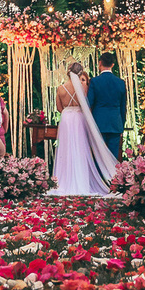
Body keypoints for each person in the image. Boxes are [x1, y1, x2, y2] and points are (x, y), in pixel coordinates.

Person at [47, 61, 118, 196]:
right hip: (79, 117)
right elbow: (88, 104)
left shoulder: (61, 88)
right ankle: (82, 180)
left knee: (66, 148)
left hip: (67, 118)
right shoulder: (83, 87)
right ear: (80, 73)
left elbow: (58, 108)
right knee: (81, 147)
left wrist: (67, 112)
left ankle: (63, 181)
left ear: (68, 72)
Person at [86, 52, 127, 159]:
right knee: (113, 156)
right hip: (115, 122)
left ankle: (100, 175)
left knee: (99, 155)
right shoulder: (121, 82)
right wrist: (121, 125)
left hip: (99, 122)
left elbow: (89, 103)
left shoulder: (95, 81)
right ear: (112, 65)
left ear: (100, 63)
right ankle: (112, 175)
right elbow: (123, 107)